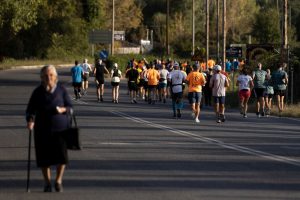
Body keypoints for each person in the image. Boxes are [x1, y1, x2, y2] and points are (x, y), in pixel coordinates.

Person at [26, 65, 73, 192]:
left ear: (56, 77)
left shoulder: (61, 90)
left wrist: (63, 109)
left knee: (62, 157)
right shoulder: (37, 92)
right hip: (42, 129)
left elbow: (70, 107)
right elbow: (30, 110)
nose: (48, 78)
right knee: (44, 158)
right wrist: (30, 120)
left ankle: (58, 180)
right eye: (46, 76)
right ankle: (47, 182)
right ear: (41, 78)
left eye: (51, 75)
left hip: (61, 129)